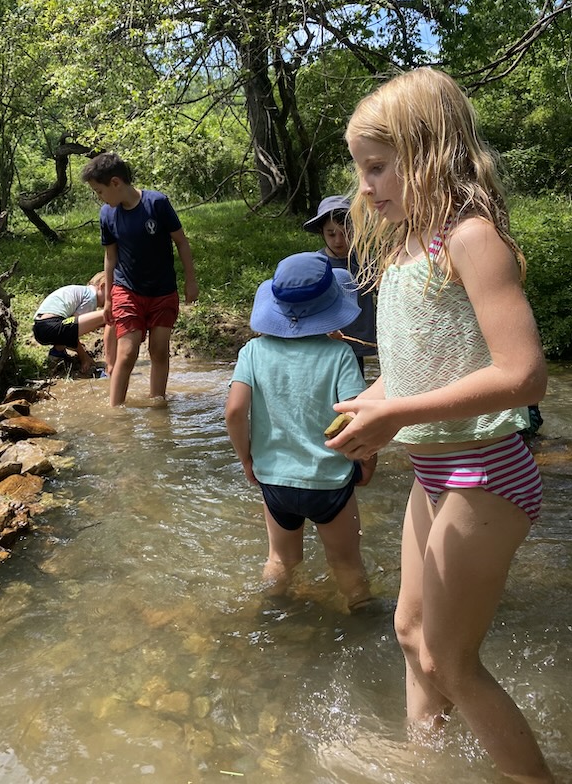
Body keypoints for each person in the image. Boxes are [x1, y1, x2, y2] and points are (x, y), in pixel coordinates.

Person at [325, 68, 554, 783]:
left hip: (487, 471)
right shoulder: (404, 251)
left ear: (431, 154)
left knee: (450, 659)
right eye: (361, 169)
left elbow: (524, 375)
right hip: (435, 474)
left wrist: (397, 413)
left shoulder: (471, 240)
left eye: (378, 166)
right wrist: (372, 409)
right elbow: (414, 369)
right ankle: (428, 763)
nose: (365, 187)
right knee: (411, 632)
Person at [224, 251, 377, 612]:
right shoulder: (339, 354)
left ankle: (268, 616)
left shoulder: (252, 352)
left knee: (280, 559)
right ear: (332, 306)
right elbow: (357, 416)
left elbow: (234, 412)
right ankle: (364, 619)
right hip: (329, 481)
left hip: (275, 481)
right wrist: (367, 461)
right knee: (346, 563)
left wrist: (246, 459)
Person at [81, 153, 199, 406]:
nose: (99, 197)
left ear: (115, 183)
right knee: (127, 352)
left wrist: (191, 281)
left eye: (99, 191)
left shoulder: (157, 203)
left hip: (163, 290)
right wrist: (109, 298)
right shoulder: (107, 214)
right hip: (127, 289)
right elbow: (110, 257)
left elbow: (181, 242)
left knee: (159, 350)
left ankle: (158, 405)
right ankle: (115, 411)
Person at [303, 194, 377, 377]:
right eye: (331, 234)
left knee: (355, 387)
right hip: (324, 345)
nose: (338, 240)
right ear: (321, 232)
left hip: (357, 342)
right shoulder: (316, 265)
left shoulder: (366, 262)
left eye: (345, 233)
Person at [32, 272, 108, 376]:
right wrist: (84, 357)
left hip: (40, 327)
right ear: (102, 286)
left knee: (69, 325)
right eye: (113, 294)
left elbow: (69, 326)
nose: (113, 300)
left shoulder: (84, 292)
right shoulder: (91, 298)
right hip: (51, 326)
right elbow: (71, 331)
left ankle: (57, 353)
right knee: (107, 315)